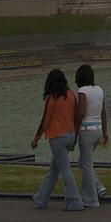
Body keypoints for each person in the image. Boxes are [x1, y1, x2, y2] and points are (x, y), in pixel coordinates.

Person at [29, 69, 84, 212]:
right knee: (54, 169)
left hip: (57, 137)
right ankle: (41, 198)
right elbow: (76, 116)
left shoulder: (52, 98)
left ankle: (75, 202)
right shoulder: (71, 94)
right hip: (70, 135)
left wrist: (36, 139)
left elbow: (45, 120)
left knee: (65, 171)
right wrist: (75, 137)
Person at [74, 64, 108, 203]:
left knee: (86, 165)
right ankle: (99, 187)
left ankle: (91, 198)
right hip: (98, 130)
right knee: (84, 162)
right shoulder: (99, 90)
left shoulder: (82, 91)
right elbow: (103, 112)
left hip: (86, 131)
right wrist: (105, 132)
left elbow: (81, 113)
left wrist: (75, 130)